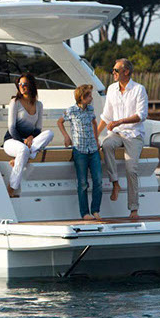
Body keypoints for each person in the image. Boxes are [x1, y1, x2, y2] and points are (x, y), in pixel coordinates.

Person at [97, 58, 149, 219]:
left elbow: (141, 115)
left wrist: (120, 121)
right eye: (113, 70)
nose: (113, 73)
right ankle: (115, 183)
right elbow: (106, 116)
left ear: (126, 72)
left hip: (134, 134)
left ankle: (134, 209)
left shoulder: (139, 89)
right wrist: (95, 136)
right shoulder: (112, 89)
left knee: (131, 169)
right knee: (106, 145)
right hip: (117, 133)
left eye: (116, 70)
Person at [3, 73, 54, 197]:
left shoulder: (39, 105)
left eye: (25, 84)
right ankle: (12, 187)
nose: (22, 86)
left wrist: (31, 137)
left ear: (31, 85)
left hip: (29, 142)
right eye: (20, 84)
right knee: (23, 149)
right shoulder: (15, 102)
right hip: (12, 140)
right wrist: (23, 142)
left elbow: (38, 129)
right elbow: (11, 128)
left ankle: (20, 159)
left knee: (49, 133)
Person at [58, 84, 102, 220]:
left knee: (98, 180)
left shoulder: (90, 109)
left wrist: (97, 139)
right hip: (80, 150)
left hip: (93, 149)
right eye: (89, 95)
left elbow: (94, 123)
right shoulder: (71, 110)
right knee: (82, 183)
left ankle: (95, 210)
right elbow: (60, 122)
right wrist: (66, 136)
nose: (91, 98)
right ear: (82, 97)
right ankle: (85, 213)